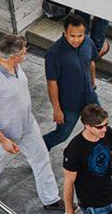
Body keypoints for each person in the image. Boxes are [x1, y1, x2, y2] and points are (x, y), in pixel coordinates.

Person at [0, 34, 63, 211]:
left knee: (41, 158)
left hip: (26, 124)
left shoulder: (14, 65)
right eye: (24, 52)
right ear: (14, 57)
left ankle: (50, 199)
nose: (26, 54)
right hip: (5, 133)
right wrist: (3, 140)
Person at [43, 14, 100, 151]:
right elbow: (52, 83)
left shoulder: (87, 42)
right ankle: (39, 148)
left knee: (100, 124)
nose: (77, 40)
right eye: (72, 36)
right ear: (65, 33)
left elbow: (91, 62)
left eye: (80, 35)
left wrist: (93, 82)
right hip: (69, 104)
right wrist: (57, 109)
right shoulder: (54, 54)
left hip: (89, 96)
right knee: (61, 135)